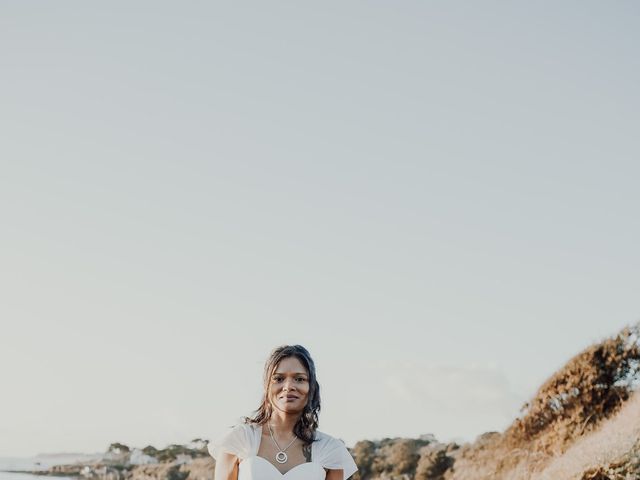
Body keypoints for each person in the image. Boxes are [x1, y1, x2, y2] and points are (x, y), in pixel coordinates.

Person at [209, 345, 358, 480]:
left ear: (311, 386)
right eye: (279, 379)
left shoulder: (330, 449)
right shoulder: (239, 440)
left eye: (299, 379)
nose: (288, 386)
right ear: (267, 386)